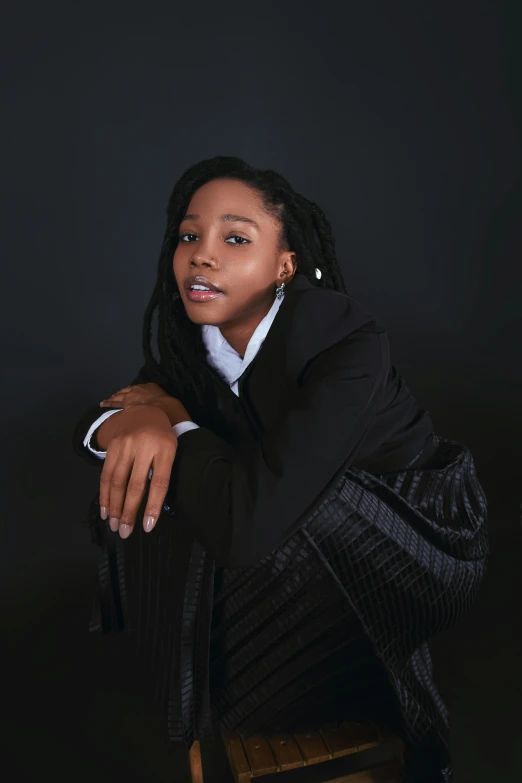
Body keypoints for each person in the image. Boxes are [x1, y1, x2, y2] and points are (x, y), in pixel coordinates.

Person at [72, 155, 489, 782]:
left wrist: (179, 425)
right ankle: (226, 676)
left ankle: (280, 678)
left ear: (284, 265)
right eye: (190, 236)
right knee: (189, 486)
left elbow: (247, 526)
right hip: (310, 540)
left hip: (421, 542)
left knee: (246, 504)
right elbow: (117, 413)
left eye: (235, 238)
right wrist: (141, 420)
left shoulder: (342, 337)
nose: (202, 256)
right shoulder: (198, 344)